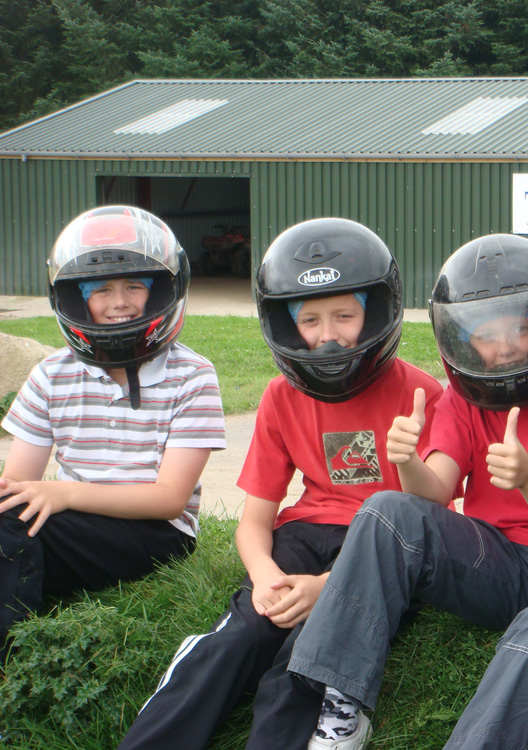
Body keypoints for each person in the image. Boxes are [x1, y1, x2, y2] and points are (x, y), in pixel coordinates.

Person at [117, 218, 445, 749]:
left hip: (383, 548)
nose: (328, 335)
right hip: (305, 535)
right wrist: (266, 577)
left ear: (376, 312)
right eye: (310, 320)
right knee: (235, 640)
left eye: (345, 316)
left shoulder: (421, 395)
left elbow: (430, 519)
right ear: (287, 324)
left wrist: (331, 588)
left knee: (303, 659)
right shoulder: (281, 396)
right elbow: (255, 521)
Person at [248, 233, 528, 750]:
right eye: (485, 334)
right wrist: (406, 462)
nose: (504, 346)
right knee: (385, 508)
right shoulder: (464, 401)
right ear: (461, 338)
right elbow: (435, 493)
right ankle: (341, 705)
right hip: (493, 560)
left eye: (520, 327)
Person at [0, 205, 225, 652]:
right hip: (74, 525)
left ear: (162, 291)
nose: (119, 301)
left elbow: (169, 500)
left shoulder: (193, 375)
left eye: (134, 286)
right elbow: (18, 485)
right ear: (74, 298)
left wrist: (65, 494)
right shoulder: (52, 374)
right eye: (101, 289)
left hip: (157, 534)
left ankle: (11, 657)